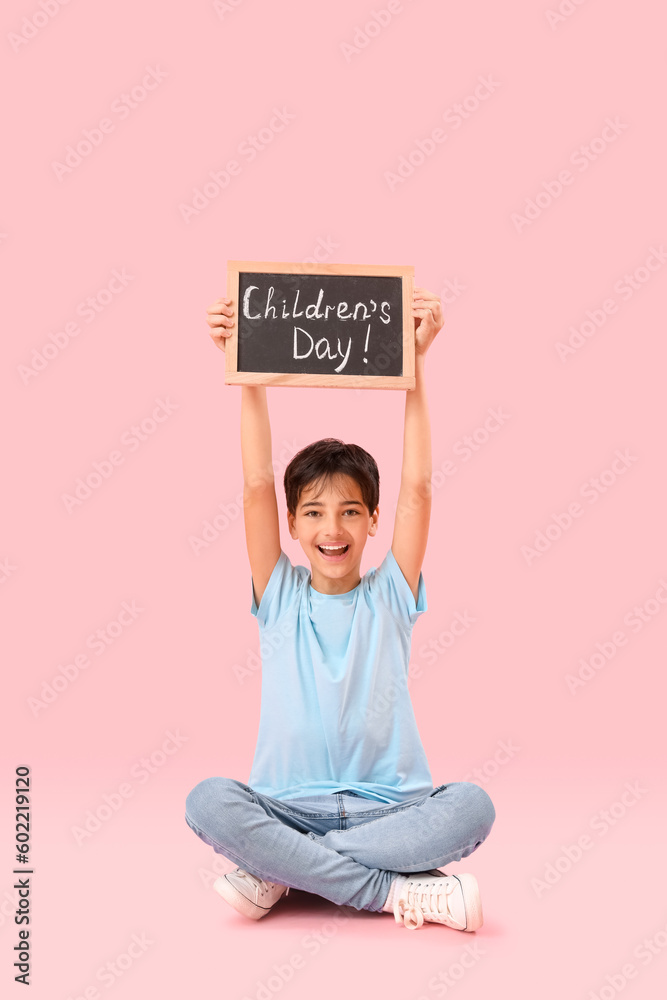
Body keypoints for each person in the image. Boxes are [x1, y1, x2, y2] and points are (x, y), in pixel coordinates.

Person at [185, 285, 495, 932]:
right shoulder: (279, 595)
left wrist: (416, 369)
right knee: (207, 801)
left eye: (350, 510)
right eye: (315, 513)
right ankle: (397, 894)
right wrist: (247, 374)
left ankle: (280, 870)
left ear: (373, 521)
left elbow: (418, 487)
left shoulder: (389, 593)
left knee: (472, 807)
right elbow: (253, 486)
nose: (333, 527)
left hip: (393, 814)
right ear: (293, 525)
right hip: (282, 809)